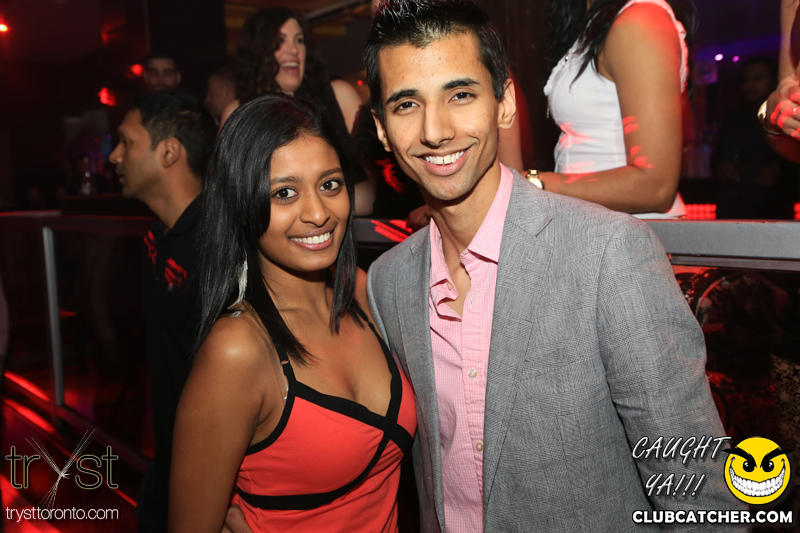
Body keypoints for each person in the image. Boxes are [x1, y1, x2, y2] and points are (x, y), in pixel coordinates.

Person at [362, 0, 744, 531]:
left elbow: (697, 491)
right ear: (382, 129)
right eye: (407, 104)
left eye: (461, 95)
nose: (435, 129)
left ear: (504, 105)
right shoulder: (389, 282)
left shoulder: (609, 255)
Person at [169, 94, 416, 533]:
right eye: (284, 193)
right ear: (243, 206)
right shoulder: (237, 350)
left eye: (330, 185)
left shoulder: (361, 292)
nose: (318, 213)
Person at [108, 90, 216, 533]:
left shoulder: (217, 243)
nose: (114, 156)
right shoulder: (157, 238)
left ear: (169, 152)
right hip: (168, 462)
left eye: (126, 142)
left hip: (213, 476)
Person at [540, 0, 695, 218]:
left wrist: (537, 184)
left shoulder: (640, 19)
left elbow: (656, 187)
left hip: (632, 230)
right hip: (596, 224)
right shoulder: (597, 21)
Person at [713, 56, 797, 220]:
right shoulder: (732, 119)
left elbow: (794, 161)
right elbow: (716, 159)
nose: (750, 85)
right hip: (731, 210)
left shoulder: (784, 117)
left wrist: (781, 169)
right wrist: (720, 166)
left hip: (772, 212)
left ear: (774, 81)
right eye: (746, 79)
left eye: (757, 78)